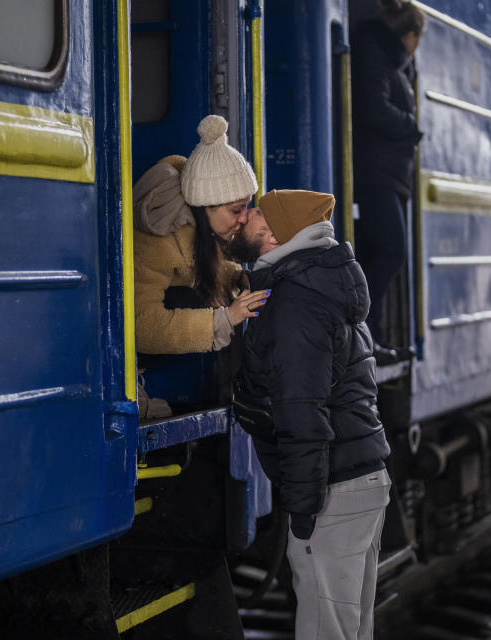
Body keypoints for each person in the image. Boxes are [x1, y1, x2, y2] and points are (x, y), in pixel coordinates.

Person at [230, 190, 391, 640]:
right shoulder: (320, 284)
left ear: (278, 233)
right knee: (351, 629)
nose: (246, 217)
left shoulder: (294, 303)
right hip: (361, 479)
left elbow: (303, 414)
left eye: (257, 212)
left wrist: (302, 511)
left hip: (331, 491)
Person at [133, 114, 269, 359]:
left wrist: (239, 279)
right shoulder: (157, 239)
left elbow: (202, 264)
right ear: (206, 206)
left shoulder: (202, 226)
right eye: (236, 210)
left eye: (246, 208)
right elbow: (141, 325)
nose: (244, 218)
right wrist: (225, 319)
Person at [351, 0, 426, 364]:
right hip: (375, 175)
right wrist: (411, 127)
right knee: (390, 251)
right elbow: (372, 107)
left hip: (385, 175)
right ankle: (359, 329)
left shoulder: (383, 56)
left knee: (377, 253)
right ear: (409, 36)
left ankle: (370, 338)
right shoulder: (375, 53)